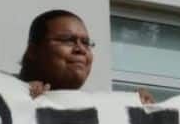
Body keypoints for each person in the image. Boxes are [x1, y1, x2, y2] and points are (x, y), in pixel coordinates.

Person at [20, 9, 152, 104]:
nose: (81, 49)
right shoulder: (6, 92)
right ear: (33, 51)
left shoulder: (102, 111)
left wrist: (136, 110)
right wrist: (18, 94)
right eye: (67, 40)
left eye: (86, 43)